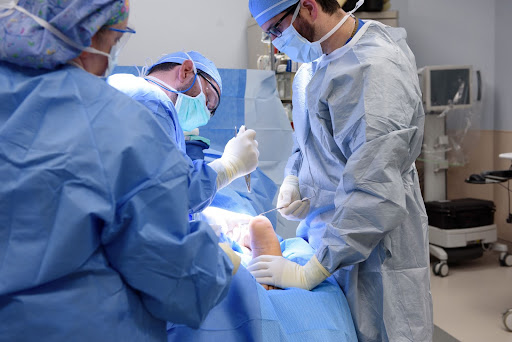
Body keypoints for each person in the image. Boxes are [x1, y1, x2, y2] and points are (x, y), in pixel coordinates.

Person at [0, 1, 241, 341]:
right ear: (88, 35)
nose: (108, 62)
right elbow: (176, 278)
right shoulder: (115, 118)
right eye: (113, 44)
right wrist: (220, 261)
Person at [247, 0, 433, 341]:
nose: (275, 43)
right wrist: (295, 178)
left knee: (382, 330)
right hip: (328, 237)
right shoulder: (313, 66)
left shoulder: (374, 69)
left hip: (375, 248)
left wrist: (311, 271)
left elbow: (375, 191)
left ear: (308, 6)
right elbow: (308, 145)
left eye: (277, 29)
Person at [107, 52, 259, 214]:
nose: (205, 116)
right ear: (186, 71)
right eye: (208, 100)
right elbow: (176, 194)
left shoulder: (126, 87)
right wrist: (230, 166)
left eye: (210, 112)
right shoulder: (152, 102)